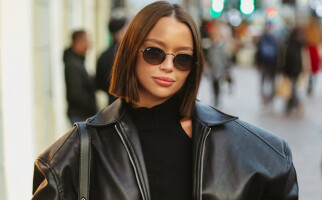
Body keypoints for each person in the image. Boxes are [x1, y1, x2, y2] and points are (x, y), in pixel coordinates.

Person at [32, 1, 298, 199]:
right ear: (130, 53)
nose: (168, 66)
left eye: (182, 58)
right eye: (154, 53)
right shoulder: (71, 156)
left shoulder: (259, 152)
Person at [63, 30, 97, 124]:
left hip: (83, 114)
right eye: (87, 42)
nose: (89, 46)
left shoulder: (78, 61)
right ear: (78, 43)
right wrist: (91, 106)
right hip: (80, 115)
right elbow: (76, 94)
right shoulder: (72, 64)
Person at [96, 17, 127, 105]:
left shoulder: (103, 55)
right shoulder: (129, 53)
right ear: (121, 32)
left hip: (112, 104)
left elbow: (99, 83)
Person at [255, 21, 279, 105]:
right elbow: (258, 52)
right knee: (264, 81)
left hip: (272, 64)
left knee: (270, 81)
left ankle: (270, 97)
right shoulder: (265, 38)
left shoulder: (274, 38)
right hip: (265, 63)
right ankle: (264, 96)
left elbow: (278, 52)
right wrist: (258, 63)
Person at [283, 27, 304, 115]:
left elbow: (288, 58)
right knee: (293, 87)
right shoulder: (299, 42)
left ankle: (295, 104)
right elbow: (299, 58)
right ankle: (292, 104)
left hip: (291, 69)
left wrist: (285, 70)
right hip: (296, 69)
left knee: (292, 88)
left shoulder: (290, 43)